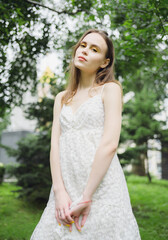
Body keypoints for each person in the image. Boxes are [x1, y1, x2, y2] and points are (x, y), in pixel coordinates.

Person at [30, 29, 141, 240]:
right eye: (83, 45)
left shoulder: (110, 90)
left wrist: (86, 197)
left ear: (104, 62)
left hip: (101, 189)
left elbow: (109, 144)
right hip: (66, 188)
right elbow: (55, 146)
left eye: (94, 49)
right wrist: (59, 192)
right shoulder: (61, 98)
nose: (85, 51)